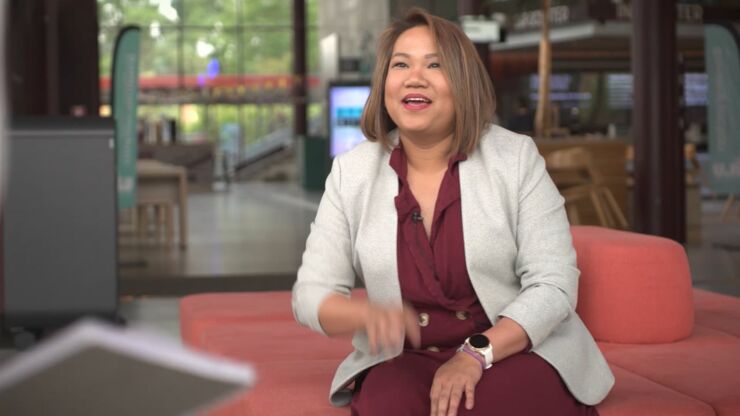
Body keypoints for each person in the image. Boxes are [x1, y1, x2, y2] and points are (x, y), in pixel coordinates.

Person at [292, 8, 614, 416]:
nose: (414, 76)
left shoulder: (515, 158)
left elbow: (554, 286)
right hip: (404, 359)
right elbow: (310, 294)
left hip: (508, 350)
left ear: (462, 83)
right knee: (389, 405)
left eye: (435, 65)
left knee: (488, 405)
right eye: (401, 64)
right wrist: (356, 312)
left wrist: (476, 355)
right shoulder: (351, 172)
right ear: (385, 82)